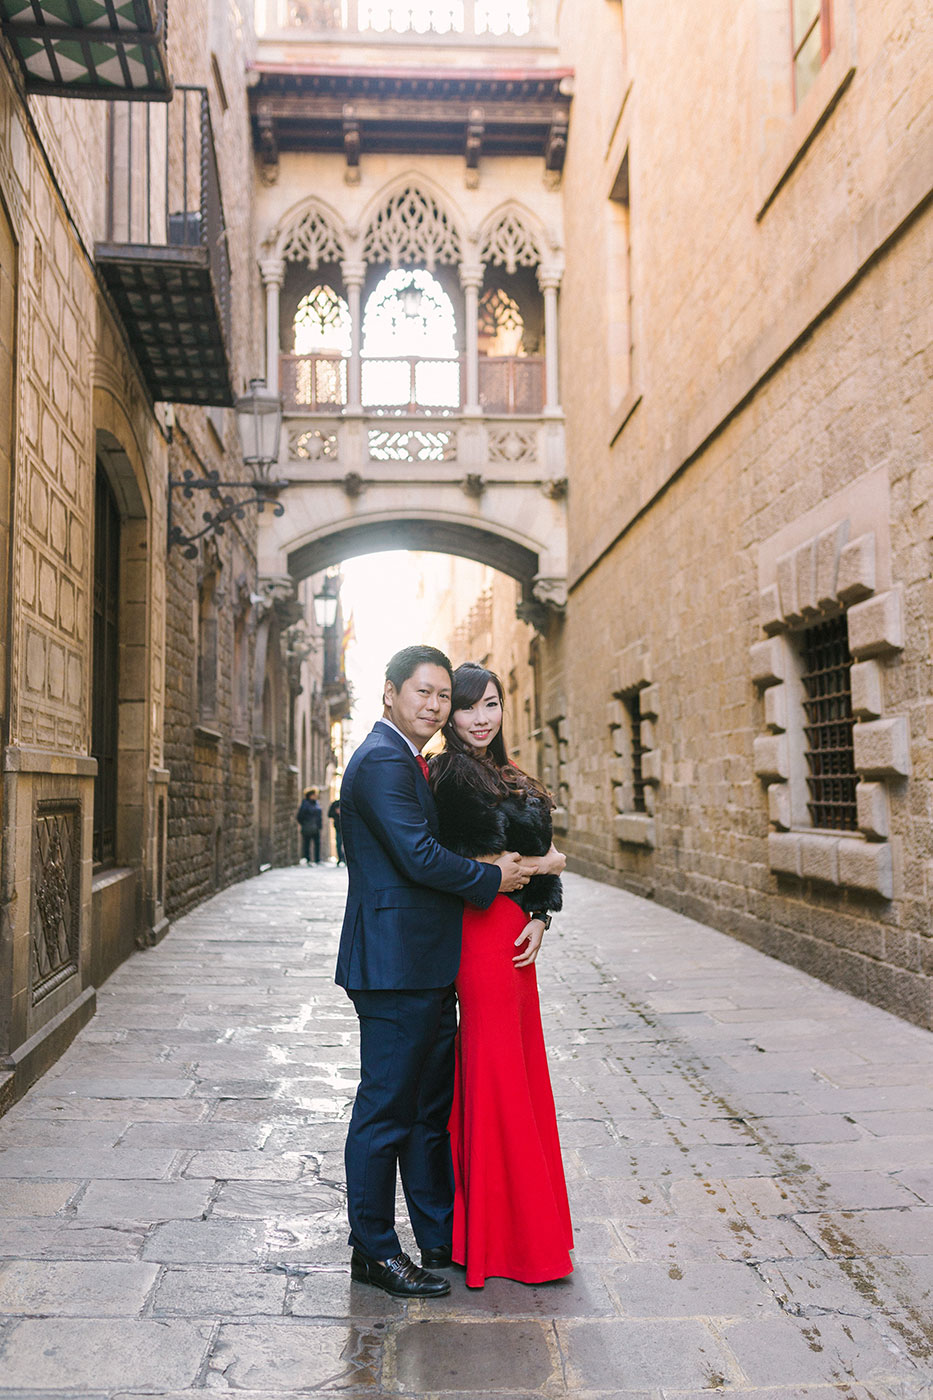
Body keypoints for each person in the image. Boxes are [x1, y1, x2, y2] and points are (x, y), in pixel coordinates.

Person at [335, 644, 535, 1299]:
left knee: (424, 1113)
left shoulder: (405, 759)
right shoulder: (383, 762)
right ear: (390, 692)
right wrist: (491, 876)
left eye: (442, 696)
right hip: (392, 967)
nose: (434, 705)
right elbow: (419, 856)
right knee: (385, 1114)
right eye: (423, 692)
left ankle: (439, 1236)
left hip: (421, 962)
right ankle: (373, 1251)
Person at [428, 661, 573, 1288]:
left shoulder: (506, 771)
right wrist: (547, 862)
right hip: (480, 934)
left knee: (519, 1068)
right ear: (451, 716)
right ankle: (499, 1239)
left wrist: (541, 910)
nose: (481, 718)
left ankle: (516, 1229)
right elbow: (472, 860)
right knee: (495, 1074)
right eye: (468, 708)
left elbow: (529, 865)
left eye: (491, 704)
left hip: (515, 933)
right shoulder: (451, 773)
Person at [296, 787, 323, 864]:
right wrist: (305, 823)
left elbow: (319, 815)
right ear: (310, 795)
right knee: (307, 843)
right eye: (315, 795)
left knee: (317, 843)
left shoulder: (316, 803)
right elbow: (300, 816)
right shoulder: (305, 804)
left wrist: (319, 825)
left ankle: (317, 859)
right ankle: (307, 859)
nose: (316, 796)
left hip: (316, 827)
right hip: (307, 827)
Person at [328, 796, 344, 865]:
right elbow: (329, 814)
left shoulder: (346, 803)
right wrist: (336, 812)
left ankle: (345, 859)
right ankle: (340, 858)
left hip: (347, 827)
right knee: (339, 843)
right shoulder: (335, 804)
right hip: (338, 827)